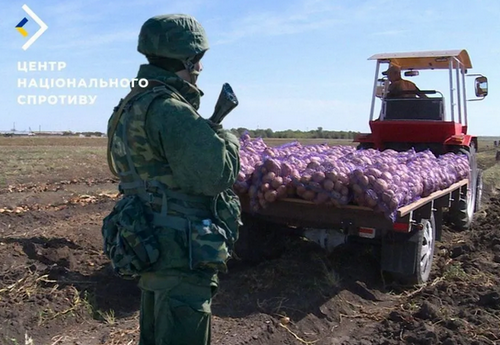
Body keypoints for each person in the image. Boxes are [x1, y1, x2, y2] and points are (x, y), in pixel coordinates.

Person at [105, 14, 242, 345]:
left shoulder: (130, 105)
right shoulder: (171, 109)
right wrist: (228, 139)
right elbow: (216, 176)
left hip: (149, 246)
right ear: (188, 60)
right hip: (181, 254)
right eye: (198, 61)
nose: (200, 69)